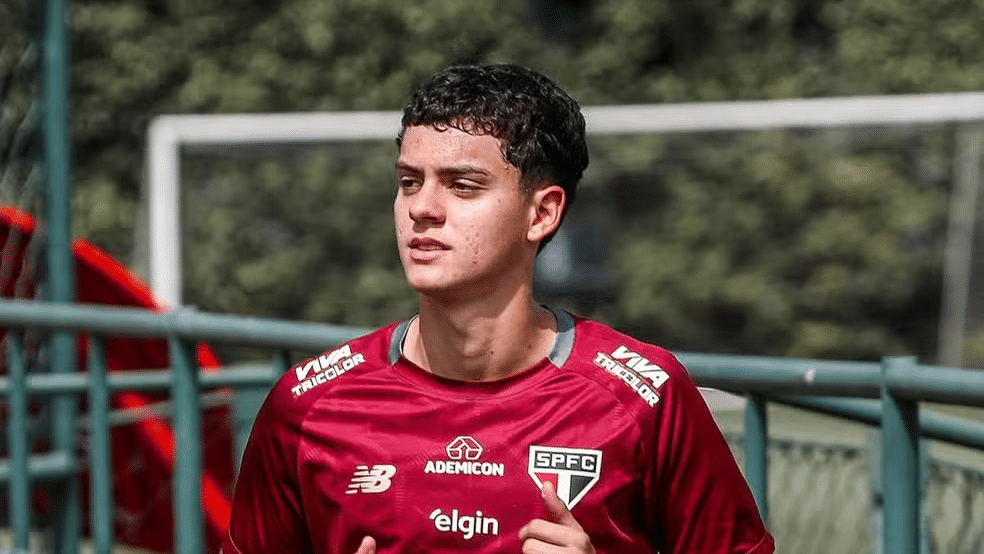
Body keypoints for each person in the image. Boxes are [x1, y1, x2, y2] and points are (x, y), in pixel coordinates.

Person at [223, 64, 775, 554]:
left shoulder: (644, 398)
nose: (422, 208)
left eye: (463, 186)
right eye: (409, 182)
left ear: (542, 213)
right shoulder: (308, 405)